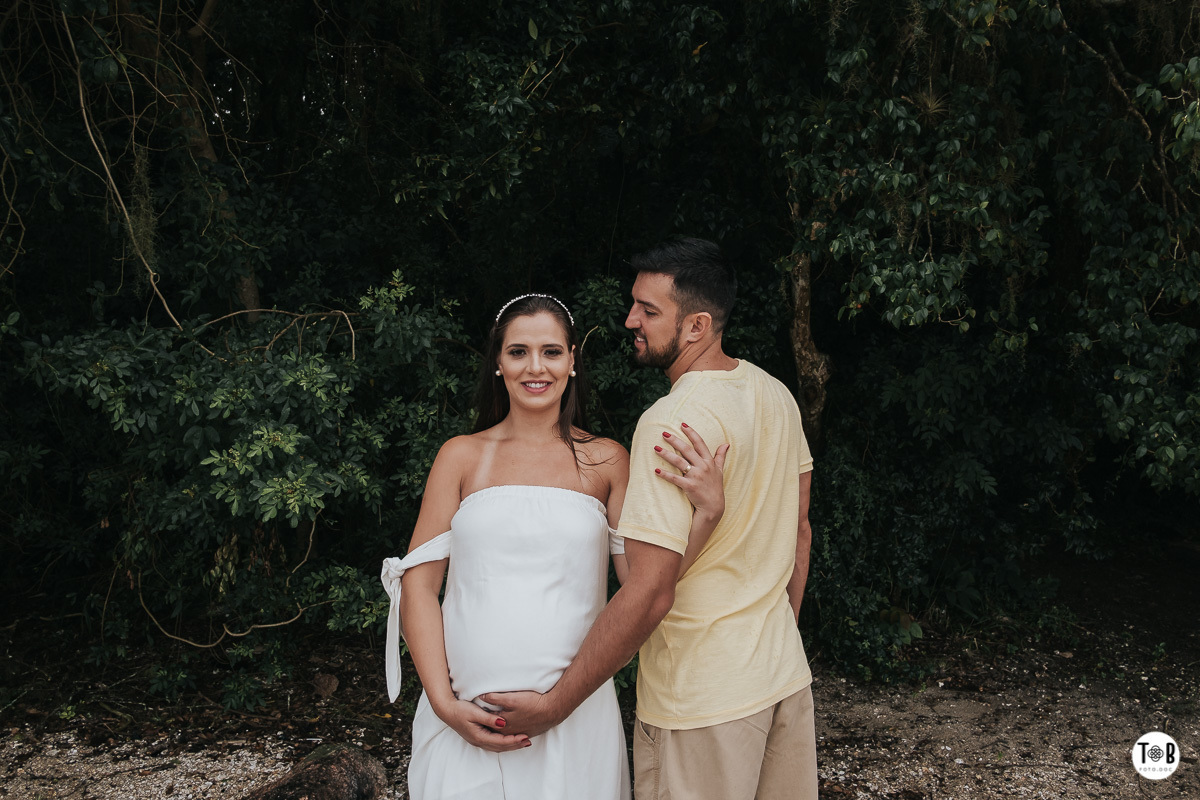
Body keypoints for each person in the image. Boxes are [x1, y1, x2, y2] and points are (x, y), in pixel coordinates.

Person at [482, 239, 818, 800]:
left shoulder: (671, 422)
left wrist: (555, 704)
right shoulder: (774, 393)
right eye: (635, 303)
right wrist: (771, 642)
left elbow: (649, 591)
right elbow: (800, 530)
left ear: (697, 325)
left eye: (649, 310)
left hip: (701, 700)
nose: (630, 319)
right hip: (782, 679)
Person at [380, 293, 728, 799]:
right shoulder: (460, 456)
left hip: (575, 719)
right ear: (498, 364)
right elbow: (419, 586)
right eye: (518, 352)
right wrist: (443, 704)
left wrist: (710, 514)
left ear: (571, 362)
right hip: (465, 716)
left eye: (551, 351)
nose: (534, 367)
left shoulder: (607, 460)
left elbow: (642, 587)